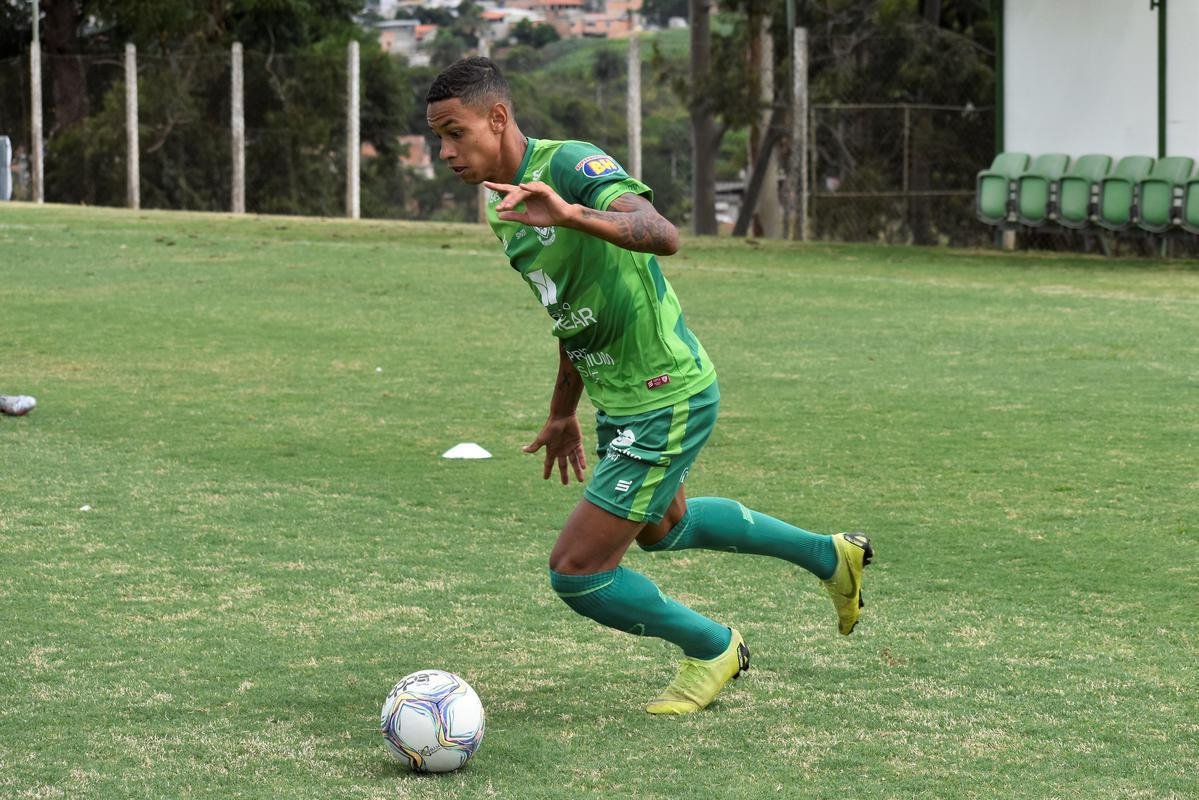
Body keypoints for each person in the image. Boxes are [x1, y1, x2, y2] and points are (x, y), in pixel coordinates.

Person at [425, 57, 873, 715]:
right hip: (623, 398)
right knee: (666, 526)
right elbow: (572, 314)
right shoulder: (502, 207)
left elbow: (661, 235)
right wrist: (561, 413)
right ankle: (828, 556)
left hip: (665, 394)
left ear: (496, 118)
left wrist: (571, 213)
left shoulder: (570, 165)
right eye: (438, 137)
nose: (443, 151)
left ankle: (713, 647)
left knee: (577, 573)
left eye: (454, 132)